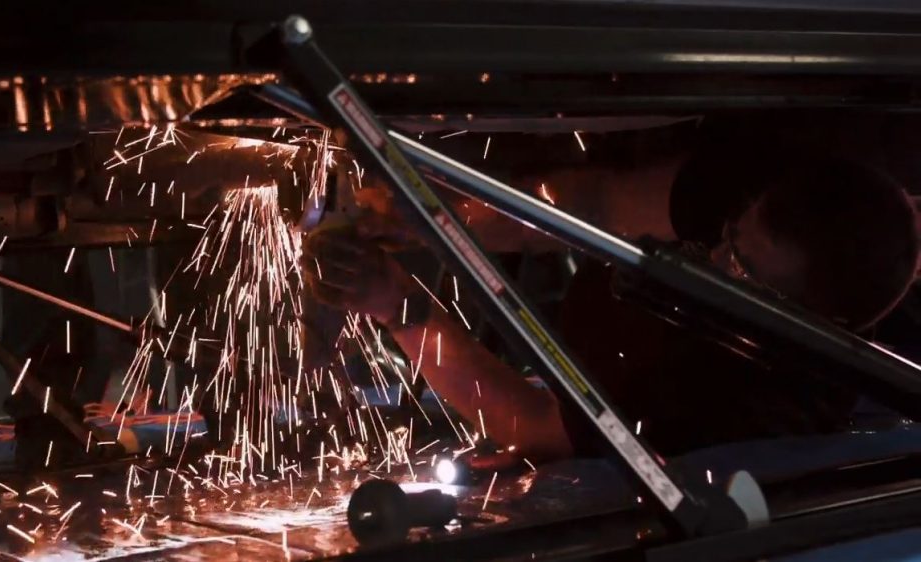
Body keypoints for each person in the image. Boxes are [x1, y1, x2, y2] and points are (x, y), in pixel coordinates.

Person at [299, 130, 920, 463]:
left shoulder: (749, 407)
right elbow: (587, 205)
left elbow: (533, 422)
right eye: (730, 234)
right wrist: (431, 215)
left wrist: (396, 303)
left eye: (743, 271)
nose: (712, 257)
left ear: (807, 322)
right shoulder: (778, 187)